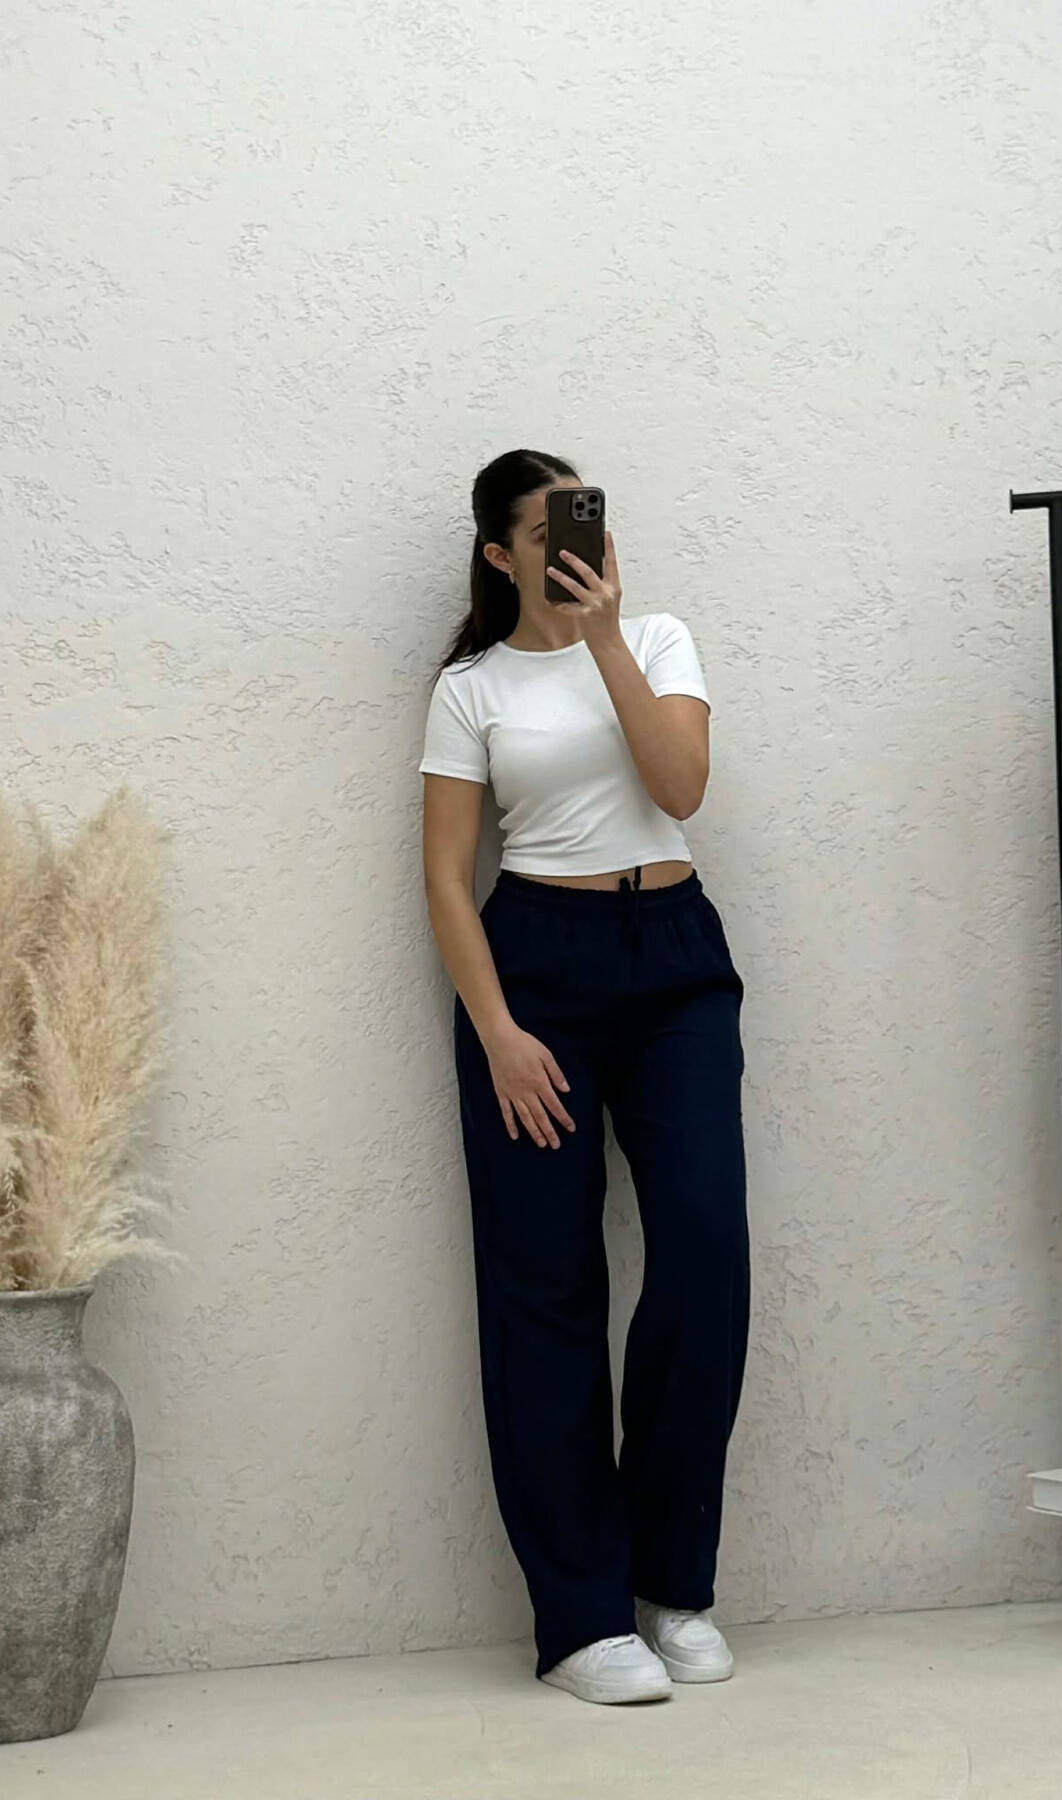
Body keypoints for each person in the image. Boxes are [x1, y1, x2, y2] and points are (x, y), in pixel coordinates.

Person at [418, 448, 750, 1706]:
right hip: (535, 972)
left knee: (706, 1256)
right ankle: (581, 1618)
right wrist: (499, 1030)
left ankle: (673, 1584)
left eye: (587, 516)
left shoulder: (656, 640)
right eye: (549, 525)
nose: (577, 538)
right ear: (500, 553)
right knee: (542, 1287)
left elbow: (682, 789)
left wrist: (603, 639)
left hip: (674, 962)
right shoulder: (470, 689)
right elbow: (446, 875)